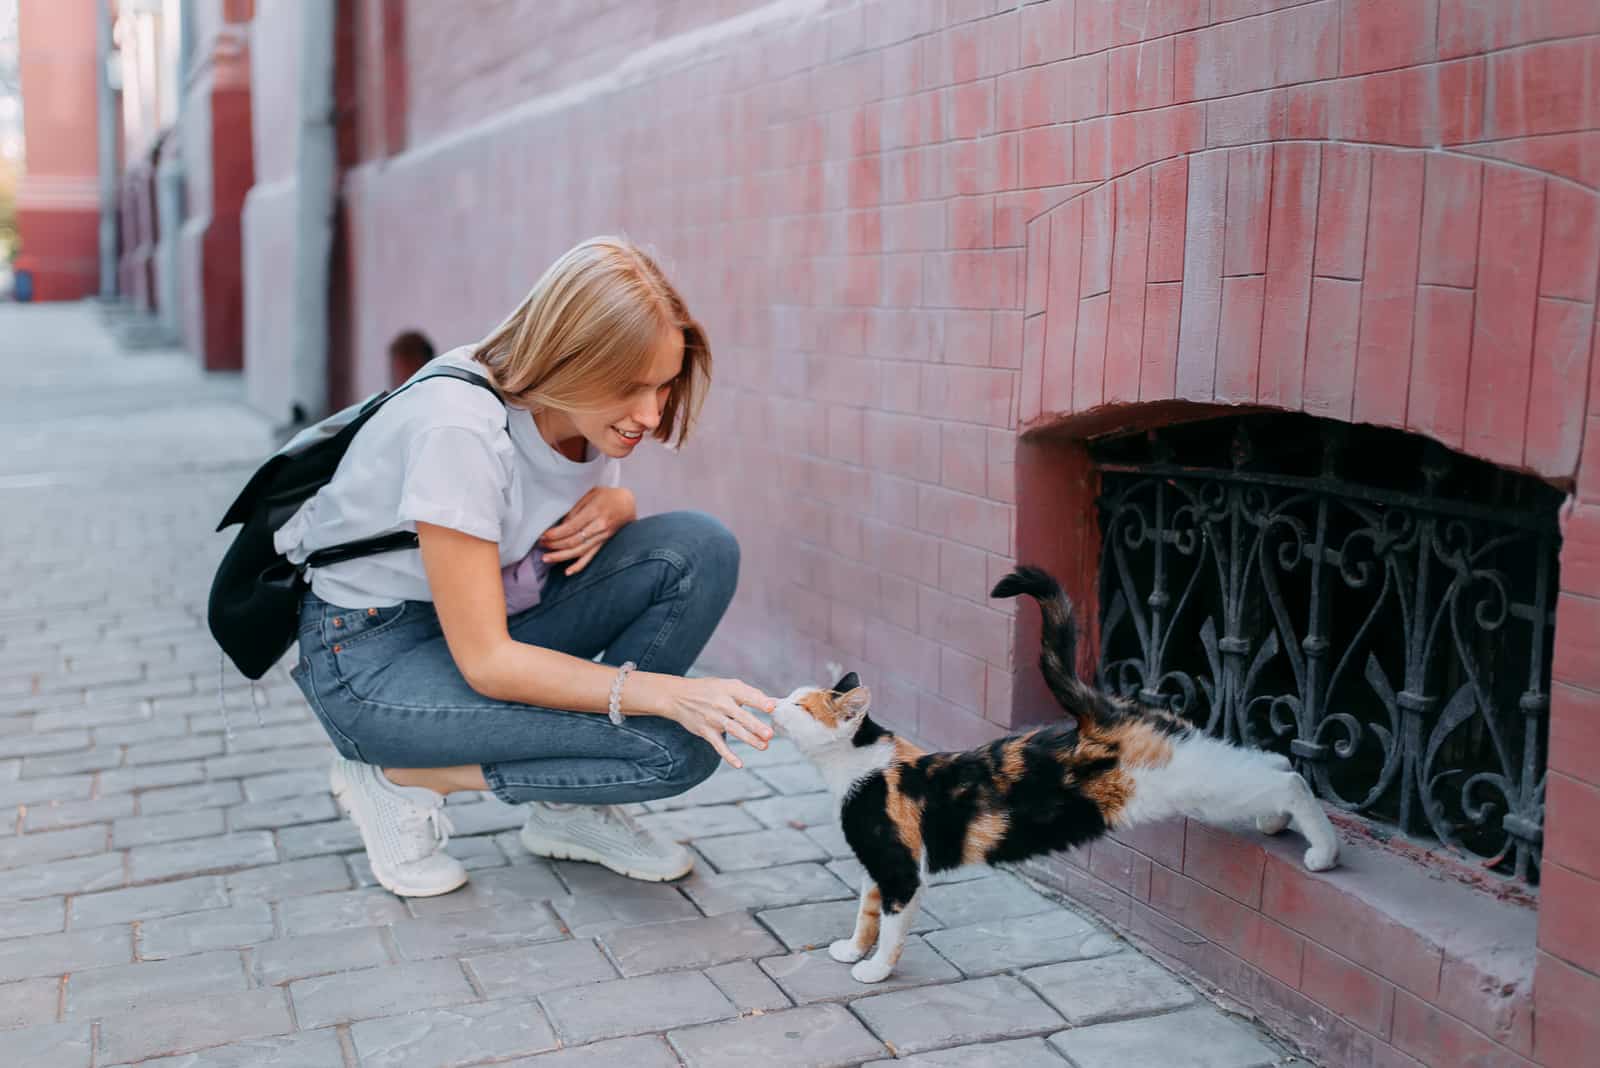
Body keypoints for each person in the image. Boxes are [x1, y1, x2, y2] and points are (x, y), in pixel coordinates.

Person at [276, 236, 777, 898]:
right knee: (672, 748)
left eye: (663, 385)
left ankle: (567, 810)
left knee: (699, 550)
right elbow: (487, 661)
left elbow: (524, 549)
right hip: (371, 660)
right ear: (571, 359)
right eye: (631, 388)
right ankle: (400, 775)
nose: (651, 415)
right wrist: (663, 694)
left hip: (487, 617)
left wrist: (618, 501)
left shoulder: (581, 413)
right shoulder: (460, 429)